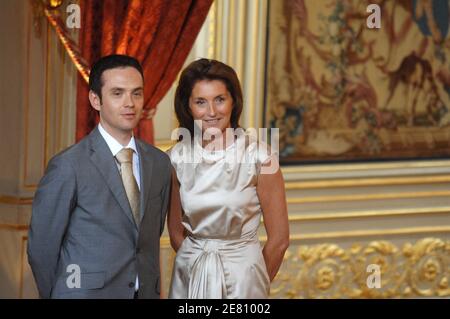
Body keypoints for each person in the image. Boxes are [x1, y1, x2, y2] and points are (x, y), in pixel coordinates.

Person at [27, 55, 171, 299]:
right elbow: (42, 248)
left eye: (136, 93)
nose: (130, 103)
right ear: (96, 100)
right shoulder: (68, 165)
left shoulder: (159, 162)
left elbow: (148, 235)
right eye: (117, 93)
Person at [167, 58, 289, 298]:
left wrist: (253, 280)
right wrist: (199, 270)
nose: (211, 112)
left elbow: (279, 240)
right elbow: (175, 233)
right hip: (189, 276)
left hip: (243, 281)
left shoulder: (261, 157)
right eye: (201, 102)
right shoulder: (176, 159)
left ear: (234, 102)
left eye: (220, 100)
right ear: (188, 106)